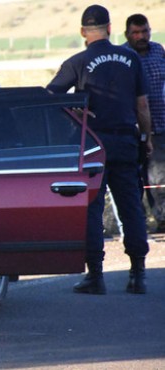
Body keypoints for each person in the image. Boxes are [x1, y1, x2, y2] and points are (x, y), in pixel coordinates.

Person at [46, 5, 152, 295]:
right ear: (109, 28)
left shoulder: (77, 62)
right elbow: (142, 104)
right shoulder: (131, 58)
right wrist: (147, 137)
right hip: (126, 140)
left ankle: (96, 276)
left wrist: (75, 112)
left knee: (92, 208)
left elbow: (50, 98)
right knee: (131, 207)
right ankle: (138, 275)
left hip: (93, 145)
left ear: (83, 32)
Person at [123, 14, 165, 232]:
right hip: (134, 127)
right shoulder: (122, 55)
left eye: (145, 31)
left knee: (160, 176)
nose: (141, 36)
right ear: (127, 34)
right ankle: (137, 223)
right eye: (136, 33)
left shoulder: (159, 50)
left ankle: (161, 220)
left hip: (161, 123)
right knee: (139, 178)